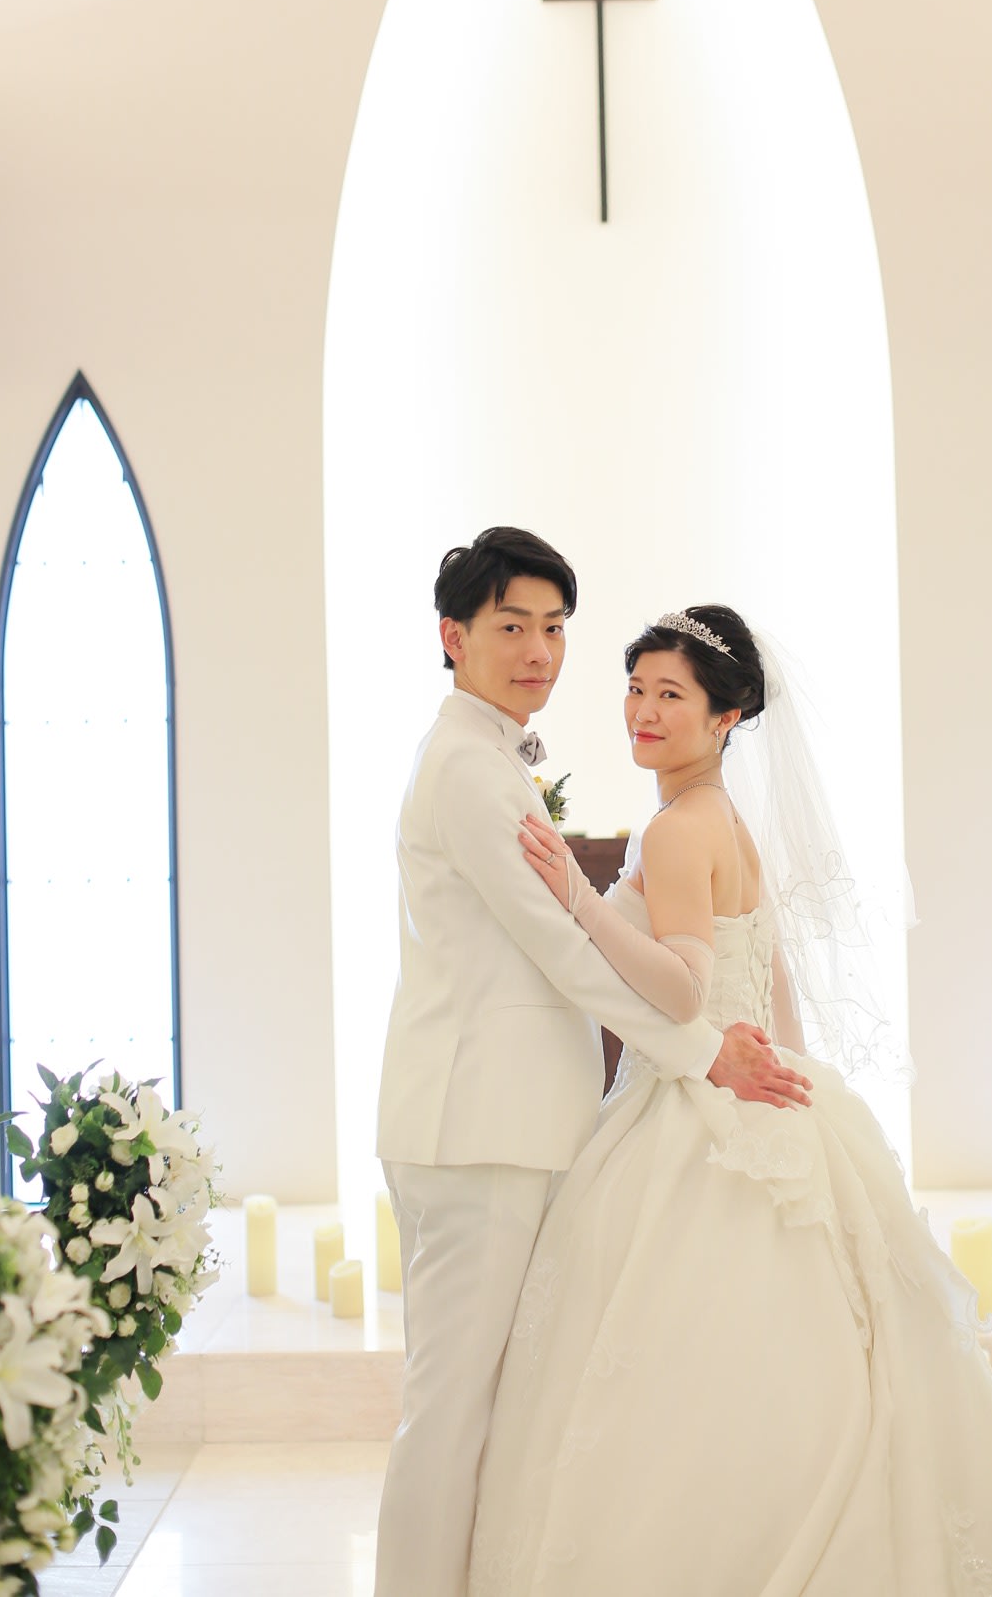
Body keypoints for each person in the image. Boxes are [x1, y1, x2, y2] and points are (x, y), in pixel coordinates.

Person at [467, 603, 992, 1597]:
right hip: (753, 1095)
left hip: (691, 1113)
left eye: (671, 695)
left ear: (727, 717)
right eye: (635, 688)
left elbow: (682, 990)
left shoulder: (677, 830)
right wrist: (798, 1091)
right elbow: (769, 978)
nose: (644, 711)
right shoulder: (726, 821)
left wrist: (578, 897)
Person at [372, 537, 811, 1597]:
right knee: (450, 1412)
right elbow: (564, 955)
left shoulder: (492, 761)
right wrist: (707, 1055)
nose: (539, 650)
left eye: (555, 628)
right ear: (454, 636)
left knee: (483, 1409)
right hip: (478, 1129)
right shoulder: (470, 772)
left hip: (506, 1123)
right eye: (512, 626)